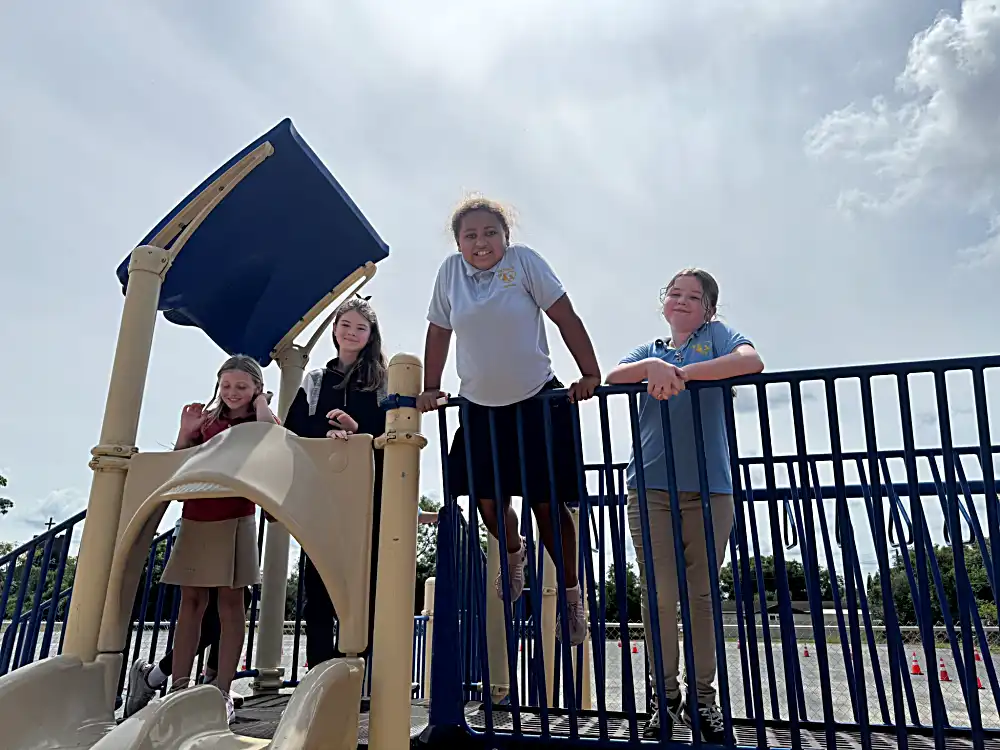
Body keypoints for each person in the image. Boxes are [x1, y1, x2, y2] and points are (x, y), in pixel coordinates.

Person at [416, 196, 601, 646]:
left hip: (536, 399)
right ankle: (513, 552)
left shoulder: (524, 264)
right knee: (487, 502)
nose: (481, 242)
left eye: (490, 233)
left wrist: (590, 371)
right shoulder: (450, 274)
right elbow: (439, 331)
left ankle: (572, 597)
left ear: (506, 236)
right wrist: (430, 384)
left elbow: (564, 316)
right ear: (459, 242)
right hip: (480, 405)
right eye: (470, 235)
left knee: (547, 504)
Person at [606, 268, 764, 742]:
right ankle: (664, 698)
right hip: (650, 486)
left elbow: (751, 361)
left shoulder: (716, 336)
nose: (682, 301)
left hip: (710, 487)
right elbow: (614, 377)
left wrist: (683, 375)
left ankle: (702, 699)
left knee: (701, 595)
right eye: (674, 293)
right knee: (658, 595)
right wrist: (655, 368)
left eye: (693, 296)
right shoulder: (649, 351)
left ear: (708, 308)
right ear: (663, 302)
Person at [148, 355, 277, 722]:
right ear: (217, 386)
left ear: (255, 389)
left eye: (242, 386)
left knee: (231, 602)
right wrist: (184, 430)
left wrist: (263, 402)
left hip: (237, 516)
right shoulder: (206, 422)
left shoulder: (258, 419)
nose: (233, 392)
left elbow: (271, 437)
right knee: (191, 601)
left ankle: (222, 688)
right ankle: (178, 685)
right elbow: (180, 465)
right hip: (197, 515)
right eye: (226, 386)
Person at [281, 296, 387, 669]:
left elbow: (391, 435)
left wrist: (358, 432)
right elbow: (294, 431)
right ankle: (320, 671)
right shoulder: (314, 380)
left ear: (371, 335)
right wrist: (326, 432)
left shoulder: (381, 381)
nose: (352, 333)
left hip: (367, 497)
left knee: (367, 581)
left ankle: (362, 668)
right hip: (322, 495)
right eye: (346, 325)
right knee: (319, 584)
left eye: (361, 327)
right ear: (335, 330)